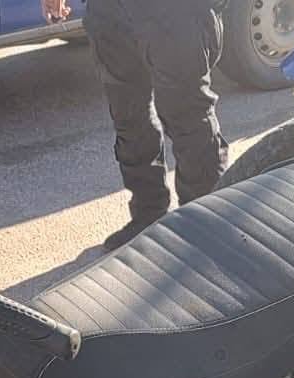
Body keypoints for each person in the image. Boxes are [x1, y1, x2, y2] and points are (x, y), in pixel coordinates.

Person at [47, 0, 230, 251]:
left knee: (187, 115)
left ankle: (204, 226)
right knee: (129, 118)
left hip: (172, 10)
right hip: (108, 11)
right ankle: (148, 216)